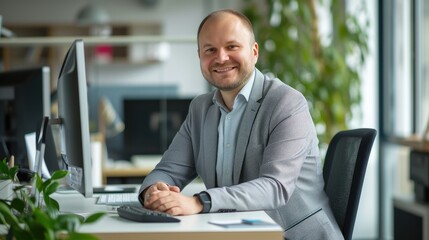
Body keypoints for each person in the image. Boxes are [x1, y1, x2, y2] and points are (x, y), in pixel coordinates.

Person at [138, 9, 344, 240]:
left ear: (254, 52)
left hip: (293, 235)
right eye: (210, 50)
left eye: (232, 46)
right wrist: (154, 190)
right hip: (235, 234)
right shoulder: (200, 109)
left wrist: (200, 201)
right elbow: (168, 170)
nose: (221, 57)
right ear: (200, 56)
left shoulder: (287, 103)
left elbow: (275, 187)